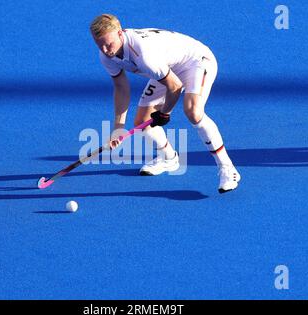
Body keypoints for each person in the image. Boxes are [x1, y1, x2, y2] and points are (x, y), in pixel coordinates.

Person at [90, 14, 241, 193]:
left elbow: (175, 87)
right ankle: (169, 158)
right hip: (167, 69)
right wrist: (118, 128)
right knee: (141, 123)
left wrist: (165, 112)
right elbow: (121, 88)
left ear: (120, 33)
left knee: (193, 111)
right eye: (100, 45)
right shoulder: (106, 56)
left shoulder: (144, 54)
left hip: (196, 61)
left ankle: (227, 168)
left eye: (109, 44)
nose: (106, 50)